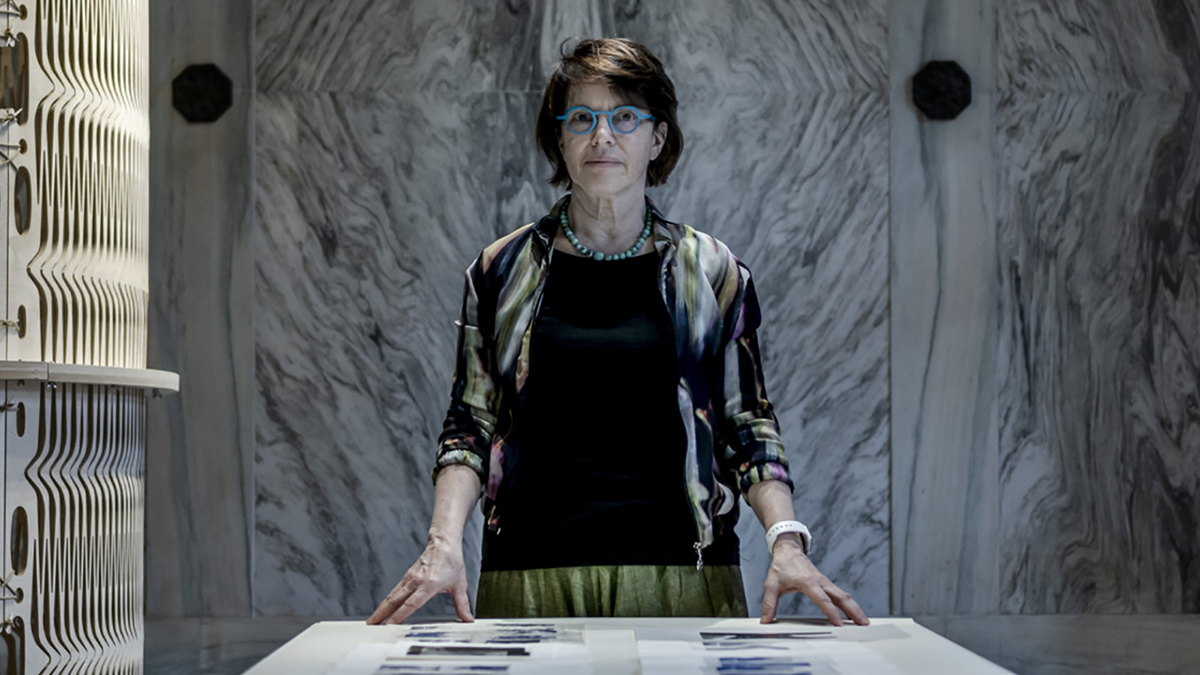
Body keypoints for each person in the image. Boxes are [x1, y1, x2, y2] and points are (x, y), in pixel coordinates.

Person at [368, 37, 868, 627]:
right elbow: (471, 421)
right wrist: (443, 543)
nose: (602, 135)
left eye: (625, 117)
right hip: (528, 571)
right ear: (559, 139)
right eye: (581, 118)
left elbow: (746, 422)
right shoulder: (500, 269)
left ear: (657, 139)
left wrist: (786, 540)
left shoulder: (712, 270)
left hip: (686, 574)